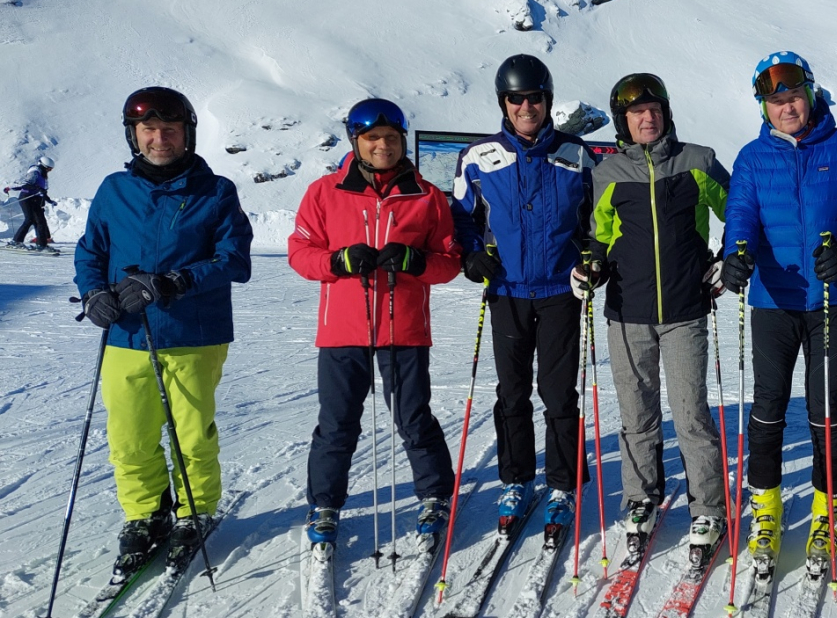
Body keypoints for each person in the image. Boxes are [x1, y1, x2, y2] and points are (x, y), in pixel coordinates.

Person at [73, 87, 253, 572]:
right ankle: (144, 513)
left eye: (169, 129)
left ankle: (193, 511)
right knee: (130, 436)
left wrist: (173, 282)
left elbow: (234, 260)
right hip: (126, 332)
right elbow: (90, 251)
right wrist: (94, 293)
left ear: (186, 133)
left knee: (191, 436)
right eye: (148, 130)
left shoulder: (216, 192)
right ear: (133, 136)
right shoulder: (114, 190)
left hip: (192, 331)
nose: (159, 138)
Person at [720, 50, 837, 565]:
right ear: (765, 107)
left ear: (810, 94)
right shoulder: (752, 156)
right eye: (775, 100)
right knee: (768, 408)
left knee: (825, 409)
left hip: (831, 300)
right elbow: (741, 212)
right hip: (773, 299)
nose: (786, 106)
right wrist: (736, 254)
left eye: (793, 96)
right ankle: (765, 508)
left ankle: (827, 507)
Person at [288, 98, 463, 547]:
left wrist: (415, 260)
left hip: (402, 328)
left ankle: (435, 494)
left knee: (412, 417)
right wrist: (338, 260)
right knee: (337, 422)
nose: (382, 145)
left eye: (390, 137)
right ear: (356, 142)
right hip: (342, 328)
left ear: (402, 140)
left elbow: (448, 262)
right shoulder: (325, 192)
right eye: (372, 138)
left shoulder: (425, 196)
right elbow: (300, 253)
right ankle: (324, 503)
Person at [451, 54, 596, 543]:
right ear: (504, 104)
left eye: (535, 97)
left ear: (548, 101)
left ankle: (563, 484)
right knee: (511, 393)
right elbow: (461, 217)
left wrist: (592, 258)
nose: (527, 106)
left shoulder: (578, 155)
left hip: (559, 290)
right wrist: (472, 256)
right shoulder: (478, 157)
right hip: (507, 292)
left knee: (558, 394)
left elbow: (598, 221)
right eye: (517, 99)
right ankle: (516, 480)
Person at [585, 73, 729, 565]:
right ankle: (641, 498)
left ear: (666, 113)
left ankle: (708, 507)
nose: (648, 118)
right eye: (637, 112)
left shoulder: (698, 161)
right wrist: (592, 266)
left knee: (691, 415)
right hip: (628, 313)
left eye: (655, 109)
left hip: (686, 309)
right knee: (637, 416)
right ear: (622, 121)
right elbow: (599, 236)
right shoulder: (607, 173)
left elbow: (742, 212)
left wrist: (729, 256)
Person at [5, 156, 58, 253]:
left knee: (39, 221)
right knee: (31, 220)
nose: (50, 170)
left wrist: (50, 201)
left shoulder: (42, 174)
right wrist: (10, 187)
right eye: (48, 168)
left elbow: (42, 191)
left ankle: (40, 244)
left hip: (35, 199)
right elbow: (25, 184)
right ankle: (17, 242)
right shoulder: (35, 172)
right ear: (43, 166)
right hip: (27, 198)